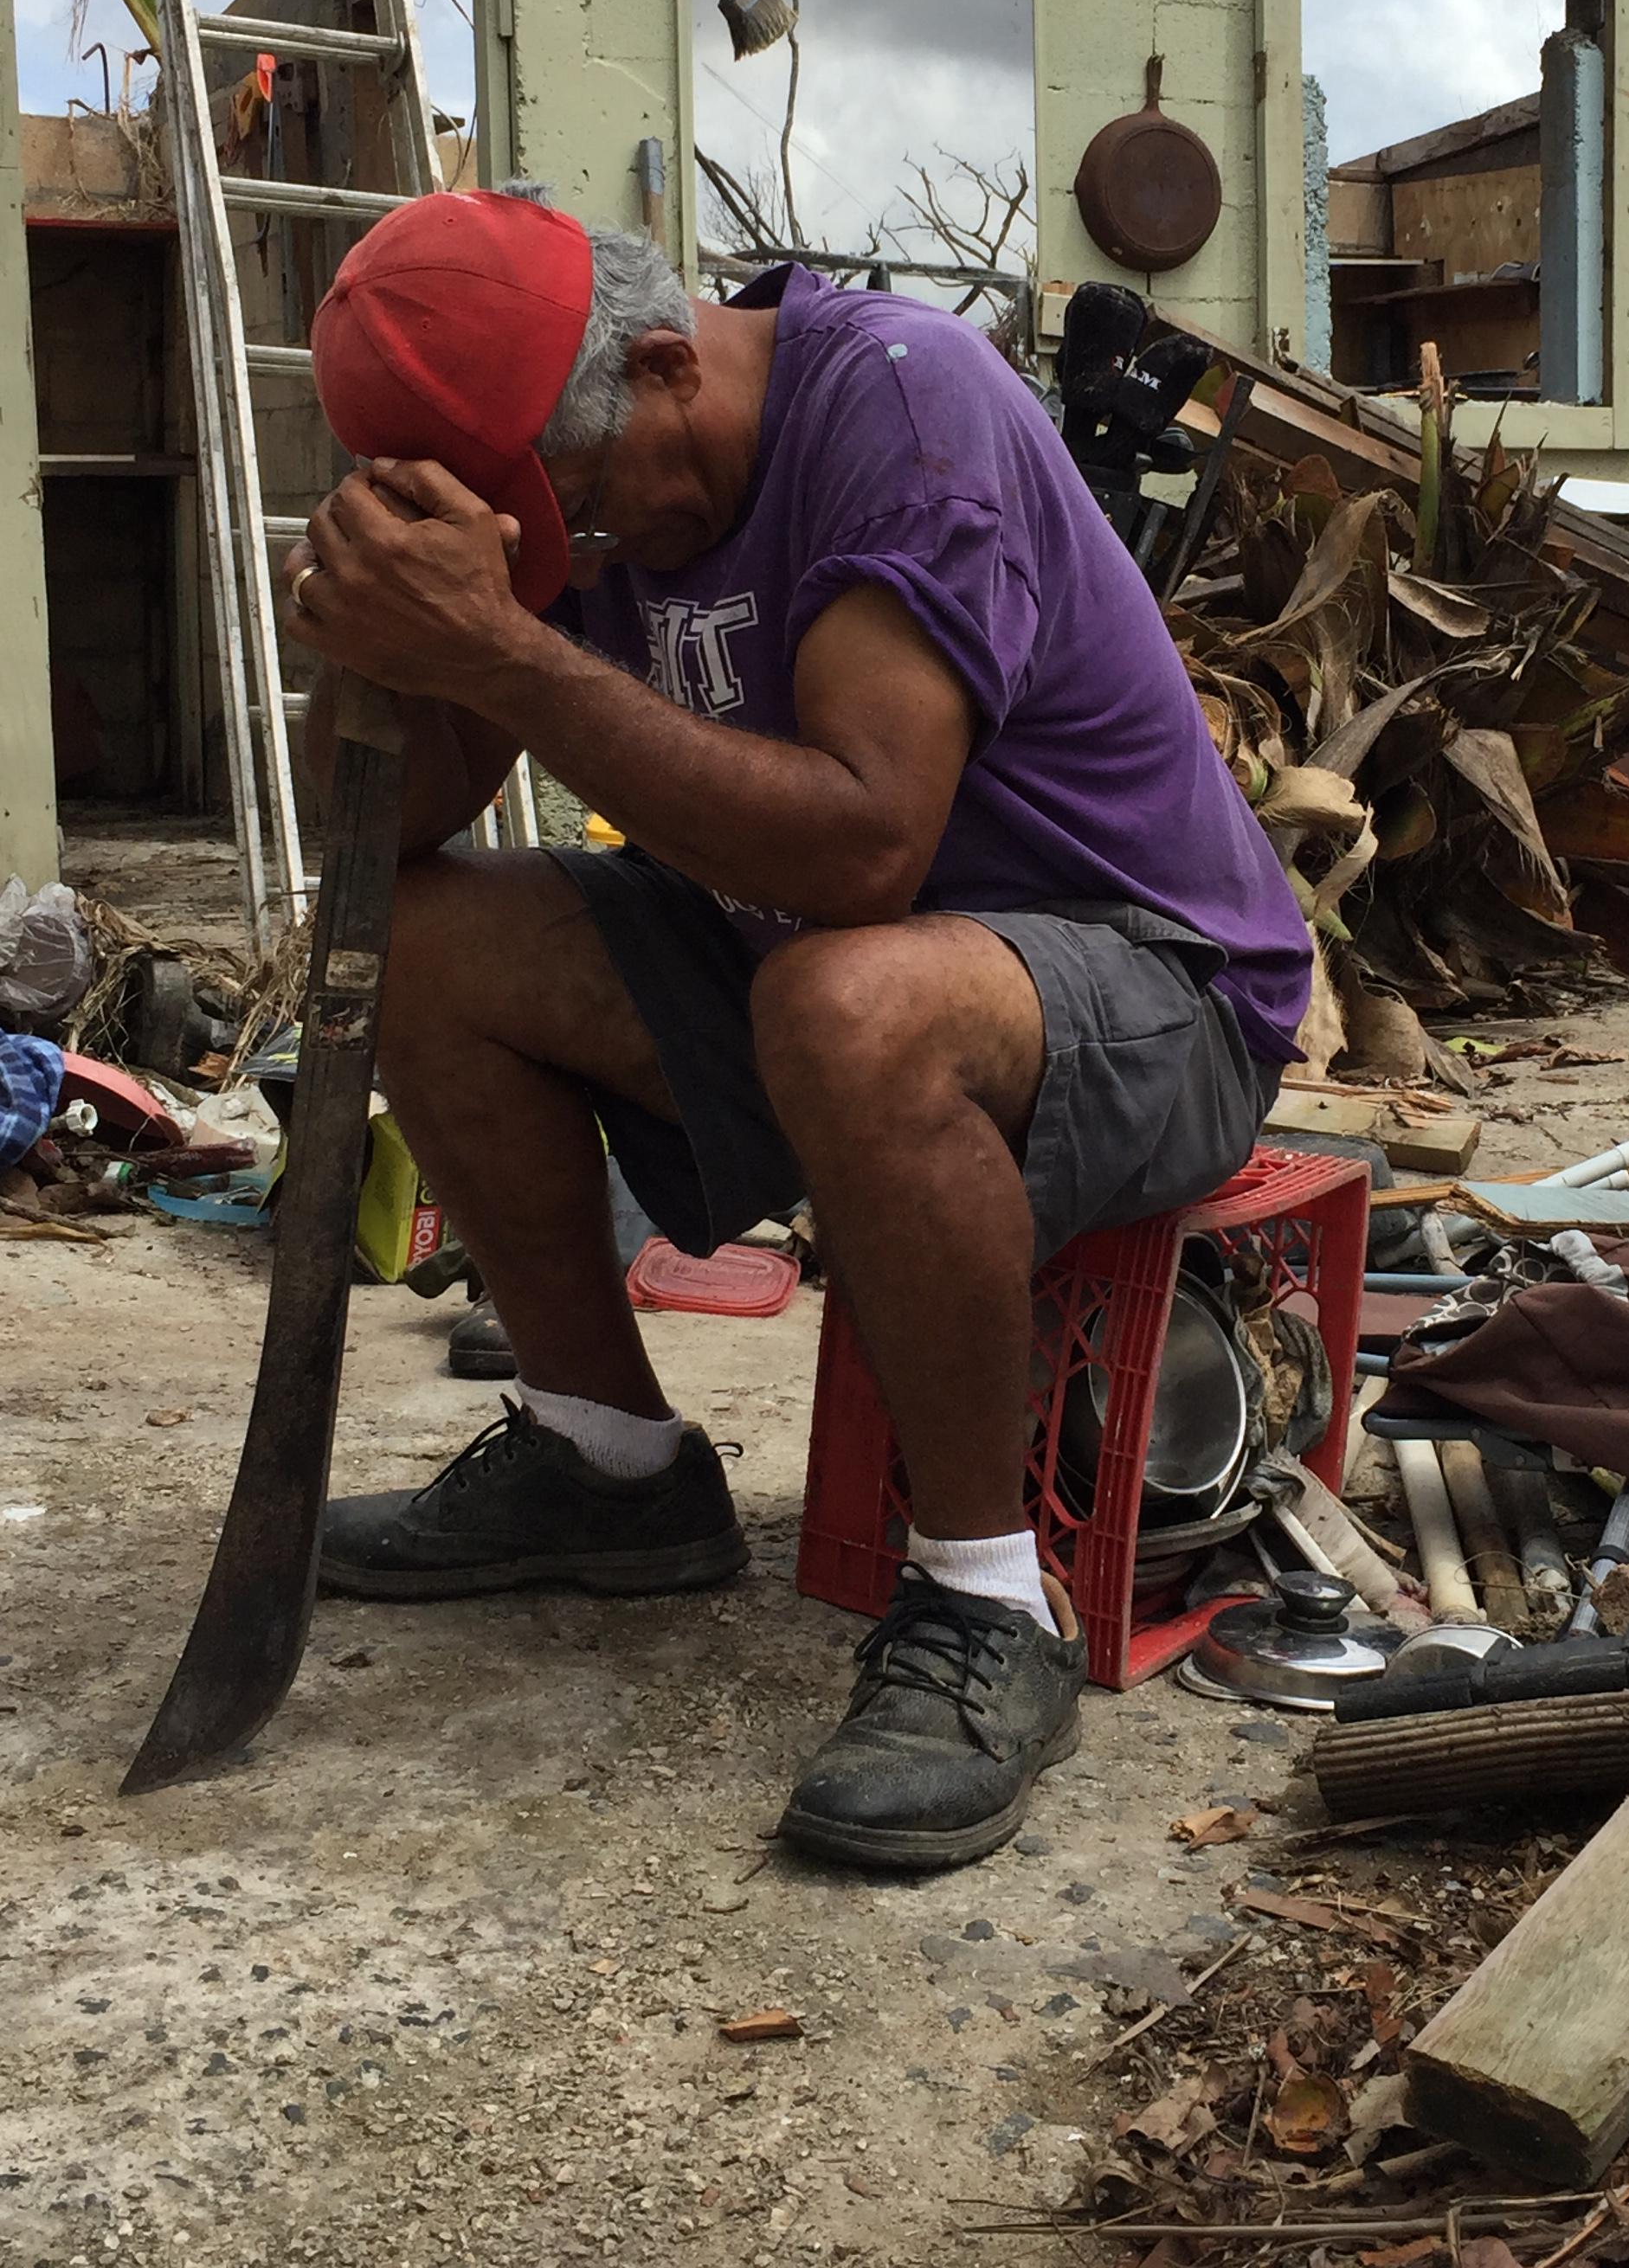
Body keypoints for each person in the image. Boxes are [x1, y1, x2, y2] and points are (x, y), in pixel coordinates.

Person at [284, 183, 1310, 1872]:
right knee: (424, 935)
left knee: (851, 1003)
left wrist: (505, 654)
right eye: (552, 553)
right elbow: (371, 840)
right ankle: (604, 1462)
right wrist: (377, 653)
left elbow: (862, 846)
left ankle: (991, 1602)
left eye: (593, 518)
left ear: (674, 364)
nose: (585, 567)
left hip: (1154, 983)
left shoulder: (902, 412)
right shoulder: (581, 477)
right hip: (813, 963)